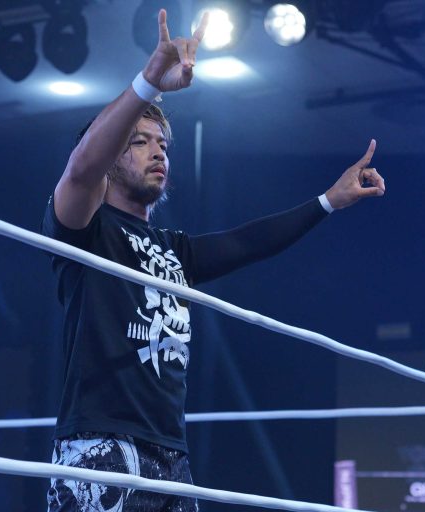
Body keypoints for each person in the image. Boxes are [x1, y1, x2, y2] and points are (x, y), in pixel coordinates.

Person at [41, 9, 385, 512]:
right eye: (139, 142)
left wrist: (328, 201)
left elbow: (248, 243)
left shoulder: (174, 250)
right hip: (100, 443)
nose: (158, 152)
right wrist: (148, 81)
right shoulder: (86, 228)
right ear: (111, 157)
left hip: (170, 453)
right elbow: (81, 169)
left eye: (163, 144)